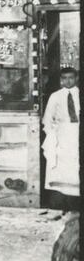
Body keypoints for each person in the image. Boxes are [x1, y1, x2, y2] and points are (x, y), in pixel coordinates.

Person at [43, 67, 80, 207]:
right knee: (60, 168)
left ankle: (75, 203)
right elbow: (47, 119)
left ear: (76, 78)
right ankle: (60, 201)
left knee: (75, 168)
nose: (68, 81)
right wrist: (52, 136)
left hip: (77, 134)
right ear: (60, 80)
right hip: (61, 136)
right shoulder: (55, 96)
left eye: (71, 78)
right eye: (64, 78)